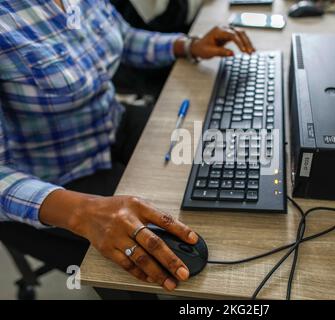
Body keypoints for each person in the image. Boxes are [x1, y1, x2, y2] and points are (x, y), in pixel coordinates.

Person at [0, 0, 255, 292]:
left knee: (219, 167)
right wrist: (81, 212)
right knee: (137, 261)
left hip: (112, 122)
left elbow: (124, 37)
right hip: (54, 181)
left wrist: (188, 45)